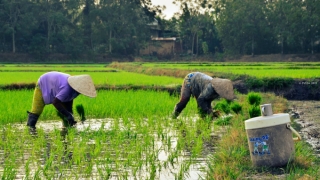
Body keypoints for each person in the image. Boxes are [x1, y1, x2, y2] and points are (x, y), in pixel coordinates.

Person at [27, 71, 97, 130]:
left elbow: (69, 99)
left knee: (67, 115)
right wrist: (68, 114)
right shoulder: (67, 88)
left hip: (57, 86)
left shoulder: (76, 90)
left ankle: (65, 128)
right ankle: (30, 129)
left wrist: (70, 114)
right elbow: (56, 102)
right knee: (36, 111)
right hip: (43, 83)